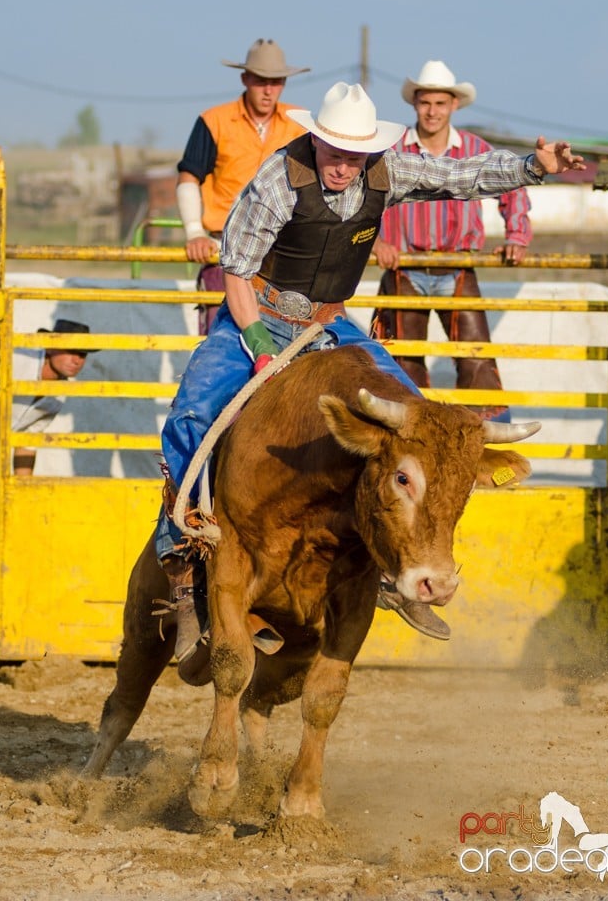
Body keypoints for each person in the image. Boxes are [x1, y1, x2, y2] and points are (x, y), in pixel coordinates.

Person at [157, 80, 584, 666]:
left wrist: (533, 166)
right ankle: (181, 563)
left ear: (369, 151)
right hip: (258, 311)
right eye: (334, 152)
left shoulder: (383, 172)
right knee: (193, 413)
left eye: (354, 155)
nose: (342, 166)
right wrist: (258, 347)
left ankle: (393, 565)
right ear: (316, 142)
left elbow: (460, 177)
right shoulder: (280, 178)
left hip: (332, 324)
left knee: (421, 428)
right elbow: (236, 270)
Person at [372, 60, 533, 421]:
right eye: (426, 103)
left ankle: (486, 449)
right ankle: (411, 443)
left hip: (457, 265)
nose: (432, 111)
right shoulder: (390, 149)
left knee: (477, 361)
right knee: (402, 363)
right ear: (415, 103)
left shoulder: (476, 148)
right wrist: (375, 242)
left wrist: (517, 237)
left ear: (453, 105)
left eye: (440, 103)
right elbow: (363, 197)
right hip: (404, 268)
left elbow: (514, 190)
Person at [176, 38, 310, 333]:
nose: (268, 89)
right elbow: (189, 178)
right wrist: (194, 233)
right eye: (261, 81)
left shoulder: (300, 124)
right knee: (220, 334)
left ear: (284, 83)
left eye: (275, 82)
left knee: (284, 336)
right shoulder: (214, 121)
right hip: (222, 246)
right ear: (245, 79)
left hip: (281, 250)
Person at [11, 319, 94, 476]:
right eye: (71, 351)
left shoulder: (59, 396)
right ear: (49, 347)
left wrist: (23, 491)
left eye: (82, 354)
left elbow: (27, 440)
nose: (77, 361)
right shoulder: (16, 359)